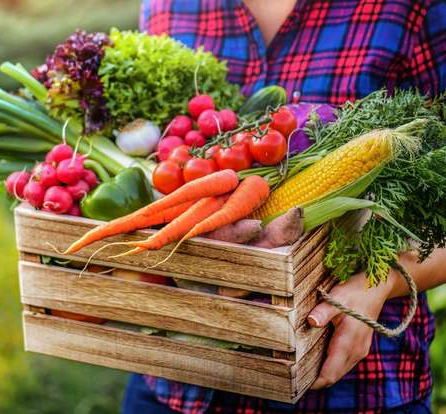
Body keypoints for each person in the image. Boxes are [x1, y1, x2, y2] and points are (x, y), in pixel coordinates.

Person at [122, 0, 446, 412]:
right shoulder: (168, 7)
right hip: (178, 380)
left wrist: (377, 285)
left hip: (347, 388)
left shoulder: (412, 8)